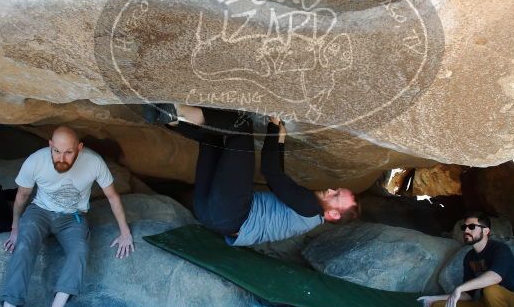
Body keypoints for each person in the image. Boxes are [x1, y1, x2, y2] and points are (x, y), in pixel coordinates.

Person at [0, 127, 134, 307]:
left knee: (79, 251)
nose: (61, 158)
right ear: (50, 145)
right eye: (57, 151)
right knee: (24, 246)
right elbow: (22, 197)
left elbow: (112, 196)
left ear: (79, 148)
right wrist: (15, 227)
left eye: (68, 152)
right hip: (39, 212)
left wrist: (124, 232)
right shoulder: (36, 161)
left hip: (72, 217)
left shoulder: (94, 162)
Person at [143, 104, 359, 245]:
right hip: (211, 215)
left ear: (334, 215)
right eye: (336, 189)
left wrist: (273, 129)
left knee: (241, 127)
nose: (331, 189)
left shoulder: (310, 207)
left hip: (232, 213)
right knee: (213, 138)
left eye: (336, 196)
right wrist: (279, 138)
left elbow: (271, 172)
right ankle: (168, 118)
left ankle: (176, 110)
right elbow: (279, 177)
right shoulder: (307, 214)